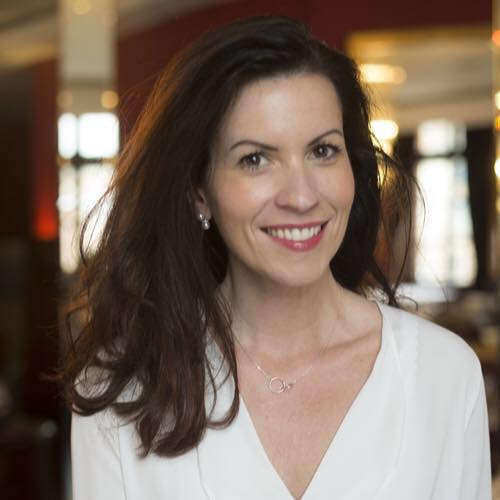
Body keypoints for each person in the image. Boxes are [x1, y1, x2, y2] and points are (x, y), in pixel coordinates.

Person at [62, 15, 492, 500]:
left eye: (323, 151)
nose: (301, 196)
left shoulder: (443, 375)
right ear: (200, 191)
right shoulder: (122, 393)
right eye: (255, 159)